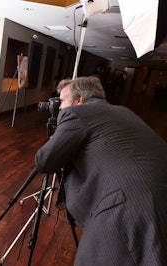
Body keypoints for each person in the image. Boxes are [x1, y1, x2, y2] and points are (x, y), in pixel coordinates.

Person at [34, 76, 167, 265]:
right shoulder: (123, 111)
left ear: (79, 100)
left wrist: (57, 136)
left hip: (127, 208)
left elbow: (43, 161)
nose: (59, 108)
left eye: (62, 101)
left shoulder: (75, 114)